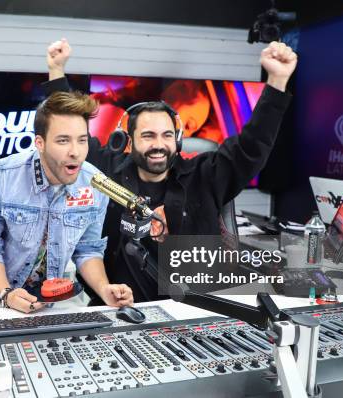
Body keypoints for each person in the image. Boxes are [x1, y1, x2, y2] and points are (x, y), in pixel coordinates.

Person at [43, 38, 297, 303]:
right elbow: (67, 129)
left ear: (176, 140)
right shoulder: (108, 171)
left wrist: (277, 81)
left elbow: (252, 147)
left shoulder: (205, 175)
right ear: (130, 141)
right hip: (120, 309)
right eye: (148, 136)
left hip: (191, 309)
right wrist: (56, 71)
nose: (159, 145)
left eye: (166, 135)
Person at [0, 90, 133, 313]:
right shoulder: (1, 175)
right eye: (63, 141)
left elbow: (88, 249)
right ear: (40, 142)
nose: (75, 152)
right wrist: (6, 293)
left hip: (52, 293)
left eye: (82, 140)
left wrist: (104, 289)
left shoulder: (95, 184)